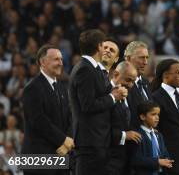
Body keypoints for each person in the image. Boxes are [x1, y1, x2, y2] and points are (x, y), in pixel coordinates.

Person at [69, 29, 128, 175]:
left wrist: (115, 92)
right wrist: (113, 97)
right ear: (99, 46)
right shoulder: (85, 70)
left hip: (97, 143)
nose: (106, 50)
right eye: (104, 46)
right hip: (89, 143)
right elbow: (88, 105)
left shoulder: (91, 69)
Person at [22, 44, 73, 175]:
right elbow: (38, 121)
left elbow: (69, 117)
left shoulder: (62, 87)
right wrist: (62, 139)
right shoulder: (32, 89)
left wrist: (67, 142)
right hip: (38, 160)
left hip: (61, 156)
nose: (60, 63)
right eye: (56, 59)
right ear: (42, 62)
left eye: (61, 59)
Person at [108, 61, 143, 175]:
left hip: (128, 160)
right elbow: (99, 128)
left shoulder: (131, 93)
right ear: (116, 74)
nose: (131, 85)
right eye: (128, 80)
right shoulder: (104, 93)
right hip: (109, 160)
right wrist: (124, 135)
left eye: (133, 81)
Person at [132, 100, 174, 175]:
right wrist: (157, 162)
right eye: (153, 114)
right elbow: (136, 160)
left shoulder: (159, 135)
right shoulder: (136, 135)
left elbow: (164, 153)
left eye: (158, 114)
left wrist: (167, 160)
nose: (157, 117)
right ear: (142, 117)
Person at [125, 40, 152, 128]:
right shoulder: (122, 83)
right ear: (128, 59)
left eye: (147, 58)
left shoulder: (145, 82)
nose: (145, 62)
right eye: (141, 58)